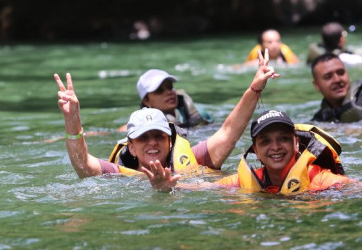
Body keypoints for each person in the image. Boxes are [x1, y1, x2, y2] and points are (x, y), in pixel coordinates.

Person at [54, 49, 279, 178]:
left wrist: (255, 87)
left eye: (159, 136)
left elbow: (229, 133)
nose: (152, 142)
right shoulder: (120, 174)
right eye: (143, 137)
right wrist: (71, 119)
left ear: (170, 141)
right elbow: (82, 165)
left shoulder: (192, 162)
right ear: (131, 146)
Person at [145, 110, 355, 195]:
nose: (275, 147)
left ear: (296, 144)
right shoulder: (245, 181)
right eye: (265, 141)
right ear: (255, 150)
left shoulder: (321, 180)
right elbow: (205, 188)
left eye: (283, 139)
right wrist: (167, 187)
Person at [132, 69, 213, 129]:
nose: (169, 92)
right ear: (146, 101)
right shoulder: (141, 126)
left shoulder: (200, 113)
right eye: (159, 91)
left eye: (170, 87)